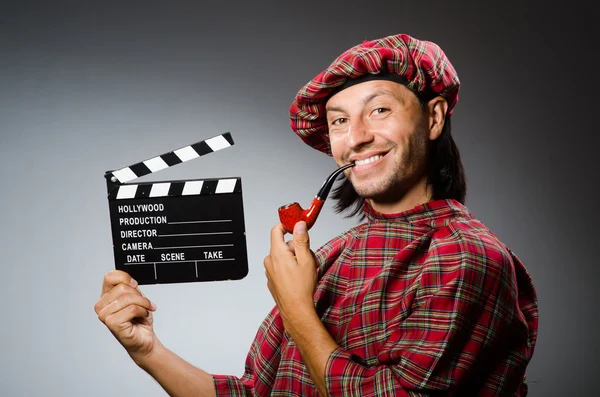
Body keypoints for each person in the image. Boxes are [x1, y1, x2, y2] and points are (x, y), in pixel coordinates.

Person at [95, 33, 538, 396]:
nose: (357, 137)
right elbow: (258, 394)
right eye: (339, 121)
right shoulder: (333, 256)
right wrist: (148, 350)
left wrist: (296, 309)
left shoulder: (466, 257)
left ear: (434, 117)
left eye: (379, 110)